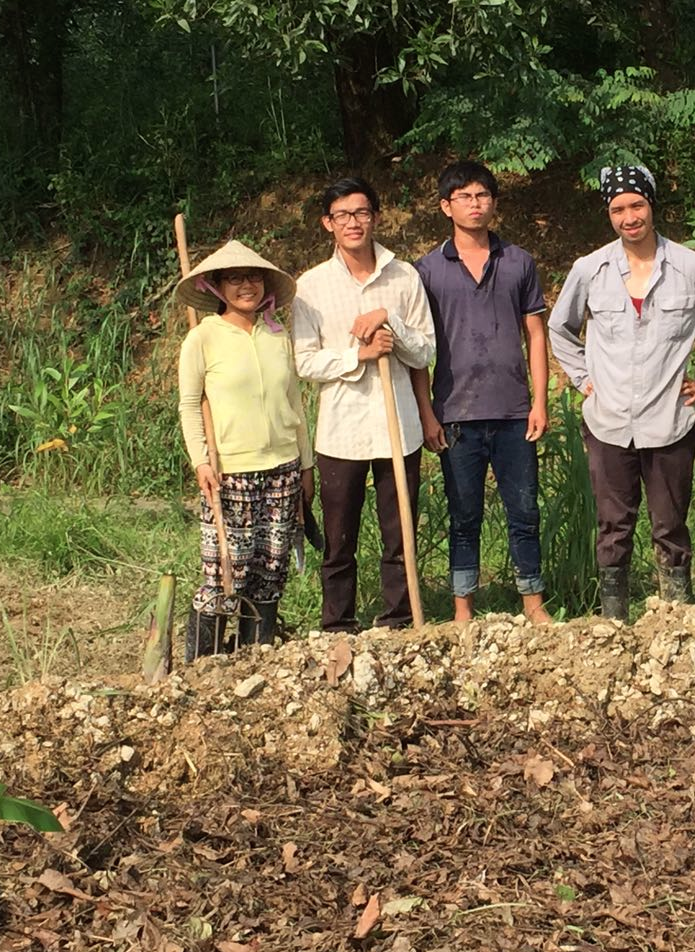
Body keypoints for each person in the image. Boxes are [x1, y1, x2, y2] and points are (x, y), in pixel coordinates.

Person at [549, 165, 695, 620]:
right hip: (609, 421)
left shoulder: (691, 267)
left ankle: (677, 618)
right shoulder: (591, 269)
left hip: (670, 421)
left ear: (652, 206)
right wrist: (583, 378)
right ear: (609, 214)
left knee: (670, 524)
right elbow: (559, 328)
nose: (628, 216)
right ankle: (613, 620)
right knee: (613, 526)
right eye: (618, 209)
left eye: (637, 205)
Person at [292, 176, 436, 632]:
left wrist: (391, 325)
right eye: (342, 215)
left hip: (401, 429)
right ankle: (338, 622)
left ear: (375, 216)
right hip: (342, 429)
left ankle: (398, 618)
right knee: (339, 538)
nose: (353, 222)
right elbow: (304, 362)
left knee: (399, 532)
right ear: (327, 224)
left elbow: (426, 351)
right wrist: (360, 355)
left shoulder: (404, 276)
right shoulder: (310, 286)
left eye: (361, 213)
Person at [412, 161, 551, 624]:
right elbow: (417, 349)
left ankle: (533, 602)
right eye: (464, 197)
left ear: (494, 202)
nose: (475, 204)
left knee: (524, 511)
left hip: (513, 411)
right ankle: (462, 609)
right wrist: (428, 414)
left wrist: (540, 401)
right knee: (463, 516)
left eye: (482, 195)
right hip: (455, 412)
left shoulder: (518, 262)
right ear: (445, 206)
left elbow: (536, 334)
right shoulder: (427, 270)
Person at [176, 240, 314, 659]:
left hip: (283, 469)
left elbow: (294, 404)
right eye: (234, 279)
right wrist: (200, 459)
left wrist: (306, 466)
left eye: (252, 277)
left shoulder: (276, 335)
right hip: (231, 470)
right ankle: (204, 663)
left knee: (271, 567)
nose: (246, 286)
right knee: (225, 571)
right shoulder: (202, 339)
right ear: (217, 287)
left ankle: (257, 656)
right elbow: (188, 404)